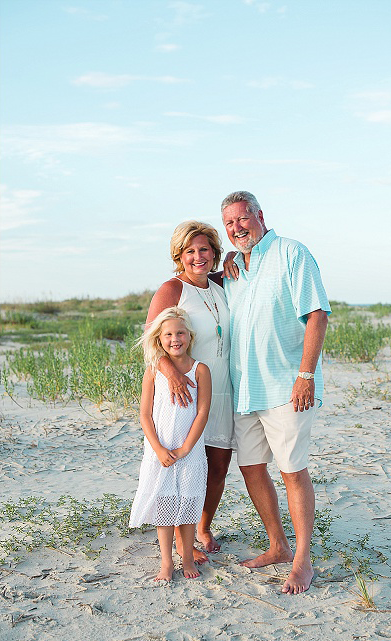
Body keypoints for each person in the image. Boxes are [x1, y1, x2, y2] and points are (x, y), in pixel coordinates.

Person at [221, 190, 329, 595]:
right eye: (229, 224)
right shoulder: (235, 269)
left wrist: (307, 374)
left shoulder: (291, 253)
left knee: (292, 471)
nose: (237, 229)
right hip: (246, 389)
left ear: (259, 215)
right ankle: (278, 546)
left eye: (242, 219)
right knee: (251, 468)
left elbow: (317, 313)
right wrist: (229, 260)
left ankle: (302, 560)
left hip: (287, 385)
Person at [144, 221, 235, 563]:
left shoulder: (221, 285)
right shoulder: (171, 289)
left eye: (204, 249)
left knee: (219, 464)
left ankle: (201, 527)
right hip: (183, 391)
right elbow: (152, 343)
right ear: (179, 255)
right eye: (190, 251)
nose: (198, 257)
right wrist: (174, 375)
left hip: (221, 386)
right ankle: (180, 545)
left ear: (214, 253)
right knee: (183, 462)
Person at [130, 307, 211, 581]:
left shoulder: (201, 370)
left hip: (190, 451)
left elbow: (202, 413)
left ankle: (187, 558)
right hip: (160, 450)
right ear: (159, 339)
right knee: (163, 505)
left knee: (188, 505)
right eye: (168, 334)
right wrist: (159, 449)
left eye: (180, 333)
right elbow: (144, 414)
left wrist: (186, 447)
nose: (175, 338)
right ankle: (166, 562)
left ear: (190, 336)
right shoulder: (153, 371)